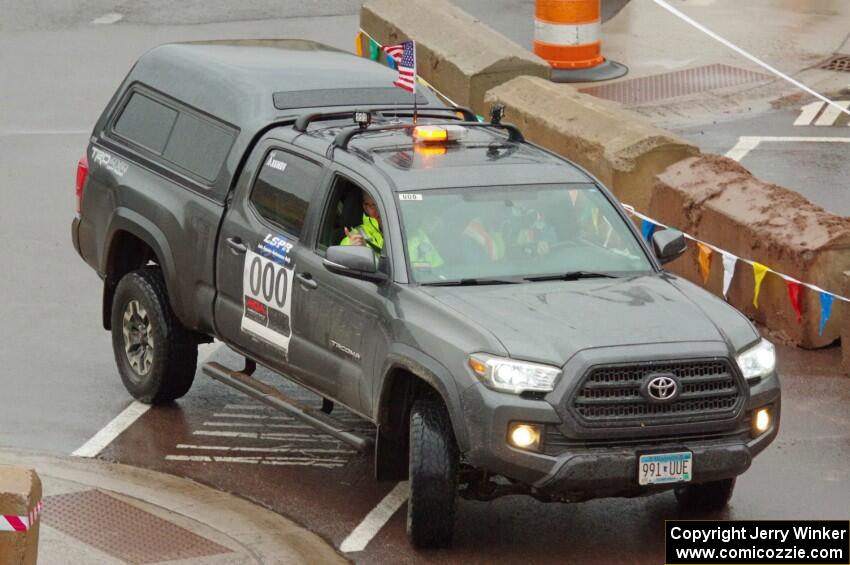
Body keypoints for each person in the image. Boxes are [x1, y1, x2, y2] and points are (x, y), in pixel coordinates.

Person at [340, 192, 443, 269]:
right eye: (374, 205)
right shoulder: (353, 238)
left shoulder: (416, 233)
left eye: (385, 205)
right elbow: (345, 276)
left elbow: (435, 270)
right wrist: (357, 251)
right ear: (365, 208)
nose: (380, 210)